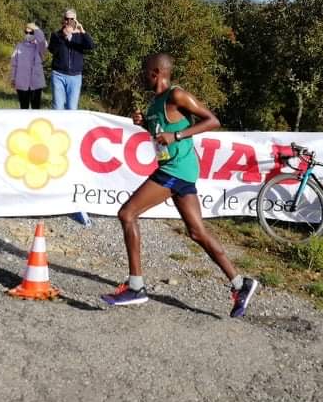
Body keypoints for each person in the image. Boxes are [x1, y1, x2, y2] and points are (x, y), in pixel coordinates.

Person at [102, 53, 260, 318]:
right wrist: (144, 124)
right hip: (177, 169)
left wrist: (176, 135)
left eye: (145, 72)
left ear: (156, 73)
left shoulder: (176, 95)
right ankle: (240, 283)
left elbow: (213, 121)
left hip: (176, 169)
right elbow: (160, 136)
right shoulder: (155, 103)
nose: (142, 76)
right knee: (197, 233)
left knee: (127, 214)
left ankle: (136, 287)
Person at [48, 8, 94, 110]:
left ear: (75, 20)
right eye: (66, 18)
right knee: (58, 107)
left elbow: (91, 46)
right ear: (63, 20)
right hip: (58, 75)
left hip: (75, 77)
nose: (68, 21)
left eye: (71, 19)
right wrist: (63, 37)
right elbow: (52, 50)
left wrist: (82, 31)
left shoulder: (80, 36)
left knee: (72, 108)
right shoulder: (56, 35)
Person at [10, 22, 47, 109]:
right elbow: (14, 64)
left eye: (31, 33)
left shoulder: (40, 46)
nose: (28, 34)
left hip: (36, 82)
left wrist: (36, 29)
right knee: (23, 108)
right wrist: (13, 78)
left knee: (36, 108)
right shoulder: (19, 46)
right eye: (26, 32)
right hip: (22, 82)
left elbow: (42, 39)